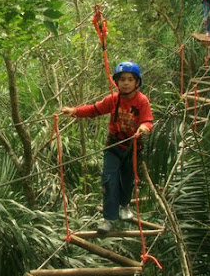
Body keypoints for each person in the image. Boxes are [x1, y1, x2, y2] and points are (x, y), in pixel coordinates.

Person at [61, 62, 154, 233]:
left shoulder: (142, 101)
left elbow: (148, 120)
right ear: (117, 82)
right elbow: (94, 109)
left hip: (132, 148)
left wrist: (144, 128)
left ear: (137, 82)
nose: (126, 83)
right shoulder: (113, 100)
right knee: (109, 180)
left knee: (126, 181)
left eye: (130, 79)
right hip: (113, 145)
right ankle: (109, 218)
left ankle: (125, 205)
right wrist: (74, 111)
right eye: (122, 79)